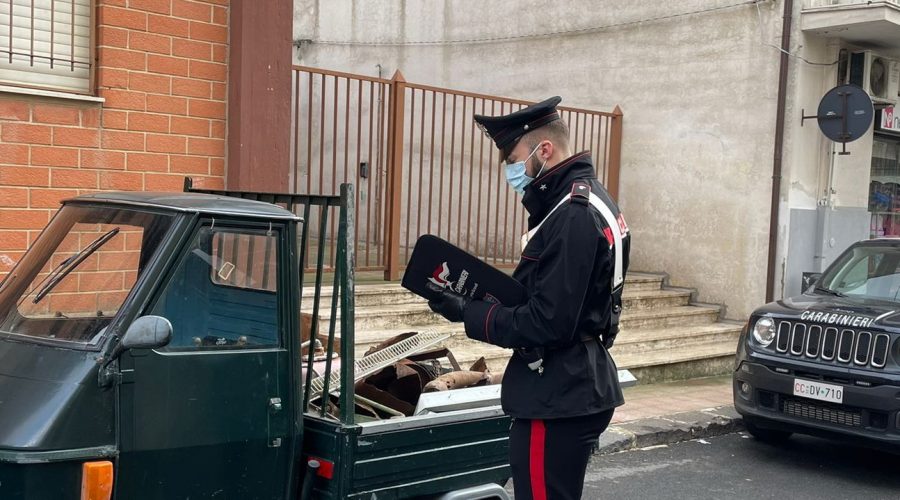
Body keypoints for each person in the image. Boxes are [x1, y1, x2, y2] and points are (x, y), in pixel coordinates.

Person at [426, 96, 630, 500]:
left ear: (544, 150)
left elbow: (548, 321)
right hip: (574, 383)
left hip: (556, 394)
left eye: (514, 158)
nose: (510, 170)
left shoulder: (572, 213)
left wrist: (469, 311)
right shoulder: (586, 198)